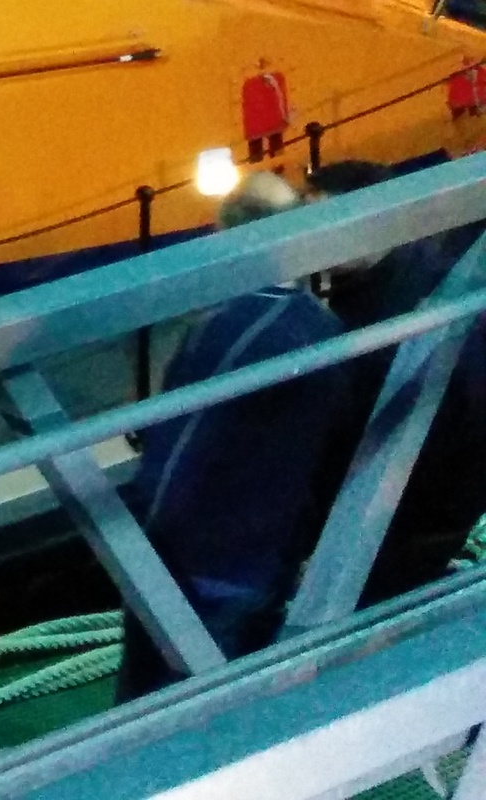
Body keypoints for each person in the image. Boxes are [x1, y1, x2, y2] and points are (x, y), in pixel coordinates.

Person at [117, 171, 368, 697]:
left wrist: (147, 540)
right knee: (232, 698)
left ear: (226, 236)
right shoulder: (322, 331)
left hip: (199, 560)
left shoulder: (227, 329)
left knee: (159, 703)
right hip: (264, 555)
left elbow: (181, 448)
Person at [305, 159, 486, 602]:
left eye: (323, 219)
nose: (309, 237)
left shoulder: (401, 306)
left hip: (409, 511)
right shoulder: (413, 283)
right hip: (408, 507)